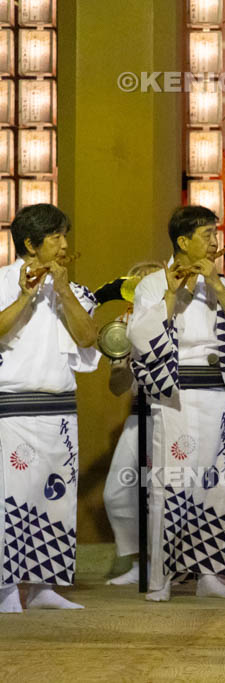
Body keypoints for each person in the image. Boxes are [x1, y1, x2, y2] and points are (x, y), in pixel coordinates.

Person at [127, 206, 225, 602]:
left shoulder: (224, 284)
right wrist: (172, 293)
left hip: (217, 392)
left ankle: (210, 574)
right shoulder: (152, 283)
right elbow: (140, 336)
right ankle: (161, 577)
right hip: (176, 393)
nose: (215, 242)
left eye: (216, 234)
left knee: (218, 485)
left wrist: (218, 289)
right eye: (206, 235)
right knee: (171, 483)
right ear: (183, 241)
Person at [0, 203, 99, 612]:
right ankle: (6, 589)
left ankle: (44, 587)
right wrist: (27, 296)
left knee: (54, 497)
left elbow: (89, 338)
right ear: (30, 244)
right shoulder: (2, 281)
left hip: (59, 408)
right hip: (13, 408)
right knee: (11, 498)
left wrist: (62, 291)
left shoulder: (72, 290)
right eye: (55, 237)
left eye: (64, 236)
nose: (64, 245)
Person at [102, 260, 163, 586]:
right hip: (140, 413)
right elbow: (117, 387)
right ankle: (140, 562)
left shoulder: (179, 315)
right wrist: (121, 363)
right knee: (117, 492)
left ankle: (168, 564)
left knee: (166, 492)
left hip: (176, 412)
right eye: (137, 283)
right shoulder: (124, 323)